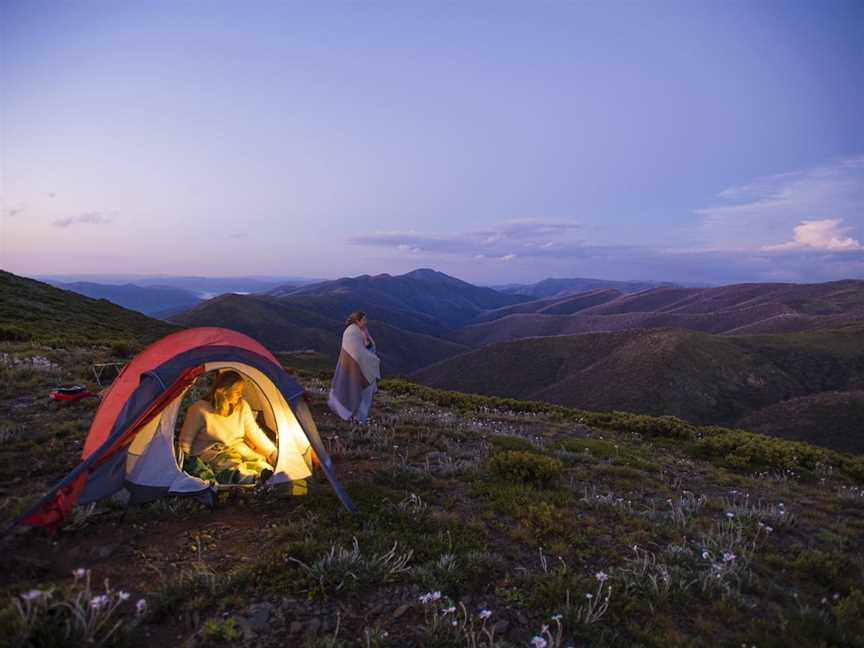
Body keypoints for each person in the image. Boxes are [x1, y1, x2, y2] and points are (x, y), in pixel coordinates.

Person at [179, 370, 277, 484]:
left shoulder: (242, 406)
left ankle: (268, 474)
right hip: (213, 451)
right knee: (229, 463)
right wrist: (184, 463)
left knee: (257, 460)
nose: (240, 395)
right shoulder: (199, 409)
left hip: (237, 448)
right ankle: (247, 478)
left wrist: (272, 452)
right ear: (224, 391)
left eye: (240, 391)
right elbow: (185, 441)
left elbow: (254, 432)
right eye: (236, 392)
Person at [328, 311, 380, 423]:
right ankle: (353, 415)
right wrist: (372, 359)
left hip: (364, 366)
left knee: (365, 395)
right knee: (352, 390)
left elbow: (368, 345)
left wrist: (369, 355)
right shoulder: (351, 332)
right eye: (364, 319)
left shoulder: (362, 331)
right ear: (357, 320)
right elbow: (355, 352)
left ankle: (361, 417)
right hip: (353, 367)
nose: (366, 321)